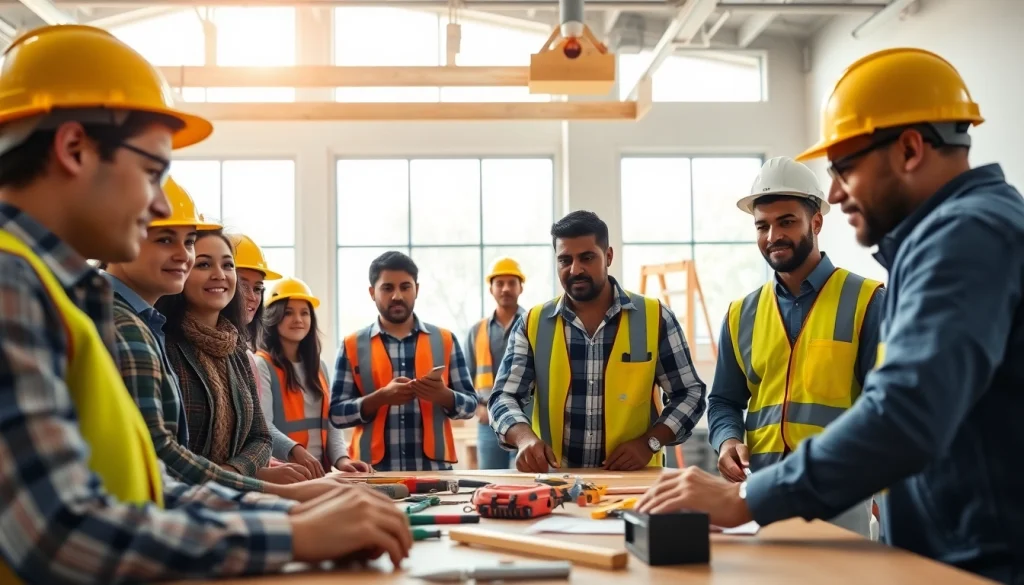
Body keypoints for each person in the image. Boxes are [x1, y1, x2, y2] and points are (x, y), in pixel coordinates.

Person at [0, 23, 410, 584]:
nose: (159, 204)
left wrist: (292, 513)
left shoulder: (56, 292)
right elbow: (57, 532)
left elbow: (147, 488)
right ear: (74, 149)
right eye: (152, 172)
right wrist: (294, 532)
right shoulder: (10, 283)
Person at [636, 47, 1024, 584]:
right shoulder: (959, 234)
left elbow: (904, 412)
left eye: (845, 168)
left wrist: (744, 498)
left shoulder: (964, 237)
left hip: (974, 559)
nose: (837, 193)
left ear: (910, 149)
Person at [707, 156, 884, 537]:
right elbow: (723, 401)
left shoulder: (868, 301)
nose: (773, 236)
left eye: (786, 222)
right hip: (761, 491)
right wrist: (727, 440)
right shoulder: (740, 314)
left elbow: (885, 411)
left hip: (840, 493)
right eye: (762, 225)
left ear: (816, 222)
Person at [488, 210, 707, 472]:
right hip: (556, 480)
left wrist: (649, 442)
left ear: (609, 256)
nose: (575, 269)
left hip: (636, 481)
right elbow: (503, 396)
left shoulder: (656, 317)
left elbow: (690, 393)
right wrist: (524, 438)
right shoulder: (532, 324)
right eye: (565, 260)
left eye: (587, 257)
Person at [156, 230, 308, 484]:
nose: (220, 275)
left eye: (227, 265)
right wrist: (233, 479)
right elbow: (165, 449)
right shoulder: (163, 344)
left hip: (232, 491)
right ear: (181, 271)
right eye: (204, 264)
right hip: (184, 496)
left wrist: (233, 473)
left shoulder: (236, 350)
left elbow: (260, 437)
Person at [330, 251, 478, 471]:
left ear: (416, 289)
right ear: (372, 292)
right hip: (370, 473)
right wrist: (379, 398)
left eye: (405, 287)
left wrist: (444, 396)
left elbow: (471, 406)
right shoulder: (351, 345)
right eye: (387, 288)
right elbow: (336, 415)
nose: (397, 296)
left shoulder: (445, 340)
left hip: (434, 473)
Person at [255, 276, 372, 476]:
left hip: (319, 474)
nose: (298, 319)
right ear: (274, 317)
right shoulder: (262, 365)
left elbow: (330, 423)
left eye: (305, 313)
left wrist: (342, 460)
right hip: (284, 473)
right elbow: (263, 426)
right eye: (288, 313)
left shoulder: (319, 366)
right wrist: (296, 451)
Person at [466, 257, 527, 469]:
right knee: (491, 479)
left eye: (512, 283)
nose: (505, 288)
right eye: (500, 283)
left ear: (521, 287)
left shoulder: (534, 324)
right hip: (489, 421)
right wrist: (477, 408)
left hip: (527, 420)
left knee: (527, 480)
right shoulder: (477, 331)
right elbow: (465, 379)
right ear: (491, 289)